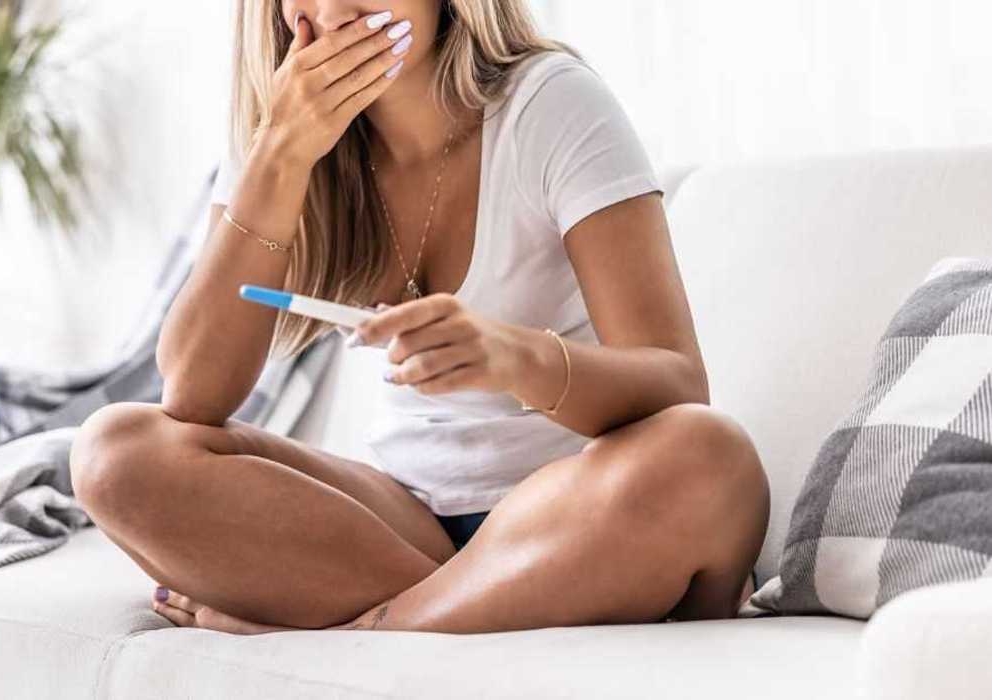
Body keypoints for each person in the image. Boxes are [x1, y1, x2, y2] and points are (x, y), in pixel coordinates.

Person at [69, 0, 769, 635]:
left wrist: (510, 356)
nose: (336, 10)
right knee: (115, 453)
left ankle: (364, 632)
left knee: (707, 455)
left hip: (575, 513)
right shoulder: (281, 133)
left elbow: (677, 387)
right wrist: (280, 155)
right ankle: (456, 612)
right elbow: (193, 396)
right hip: (408, 525)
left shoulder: (550, 103)